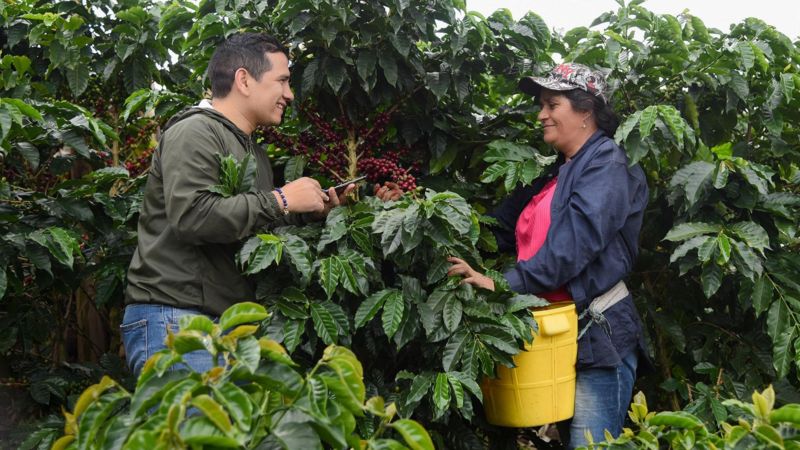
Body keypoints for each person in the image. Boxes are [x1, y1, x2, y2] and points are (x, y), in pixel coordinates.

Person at [121, 32, 400, 376]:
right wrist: (282, 198)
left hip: (225, 325)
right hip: (178, 320)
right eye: (282, 80)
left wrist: (311, 212)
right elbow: (193, 217)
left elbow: (254, 227)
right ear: (244, 80)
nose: (289, 94)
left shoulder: (253, 152)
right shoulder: (194, 131)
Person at [447, 63, 649, 449]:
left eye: (551, 104)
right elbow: (495, 229)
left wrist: (505, 284)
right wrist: (424, 214)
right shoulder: (557, 172)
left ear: (586, 110)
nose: (541, 114)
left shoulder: (606, 164)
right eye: (541, 104)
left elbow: (574, 246)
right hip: (552, 335)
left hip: (596, 335)